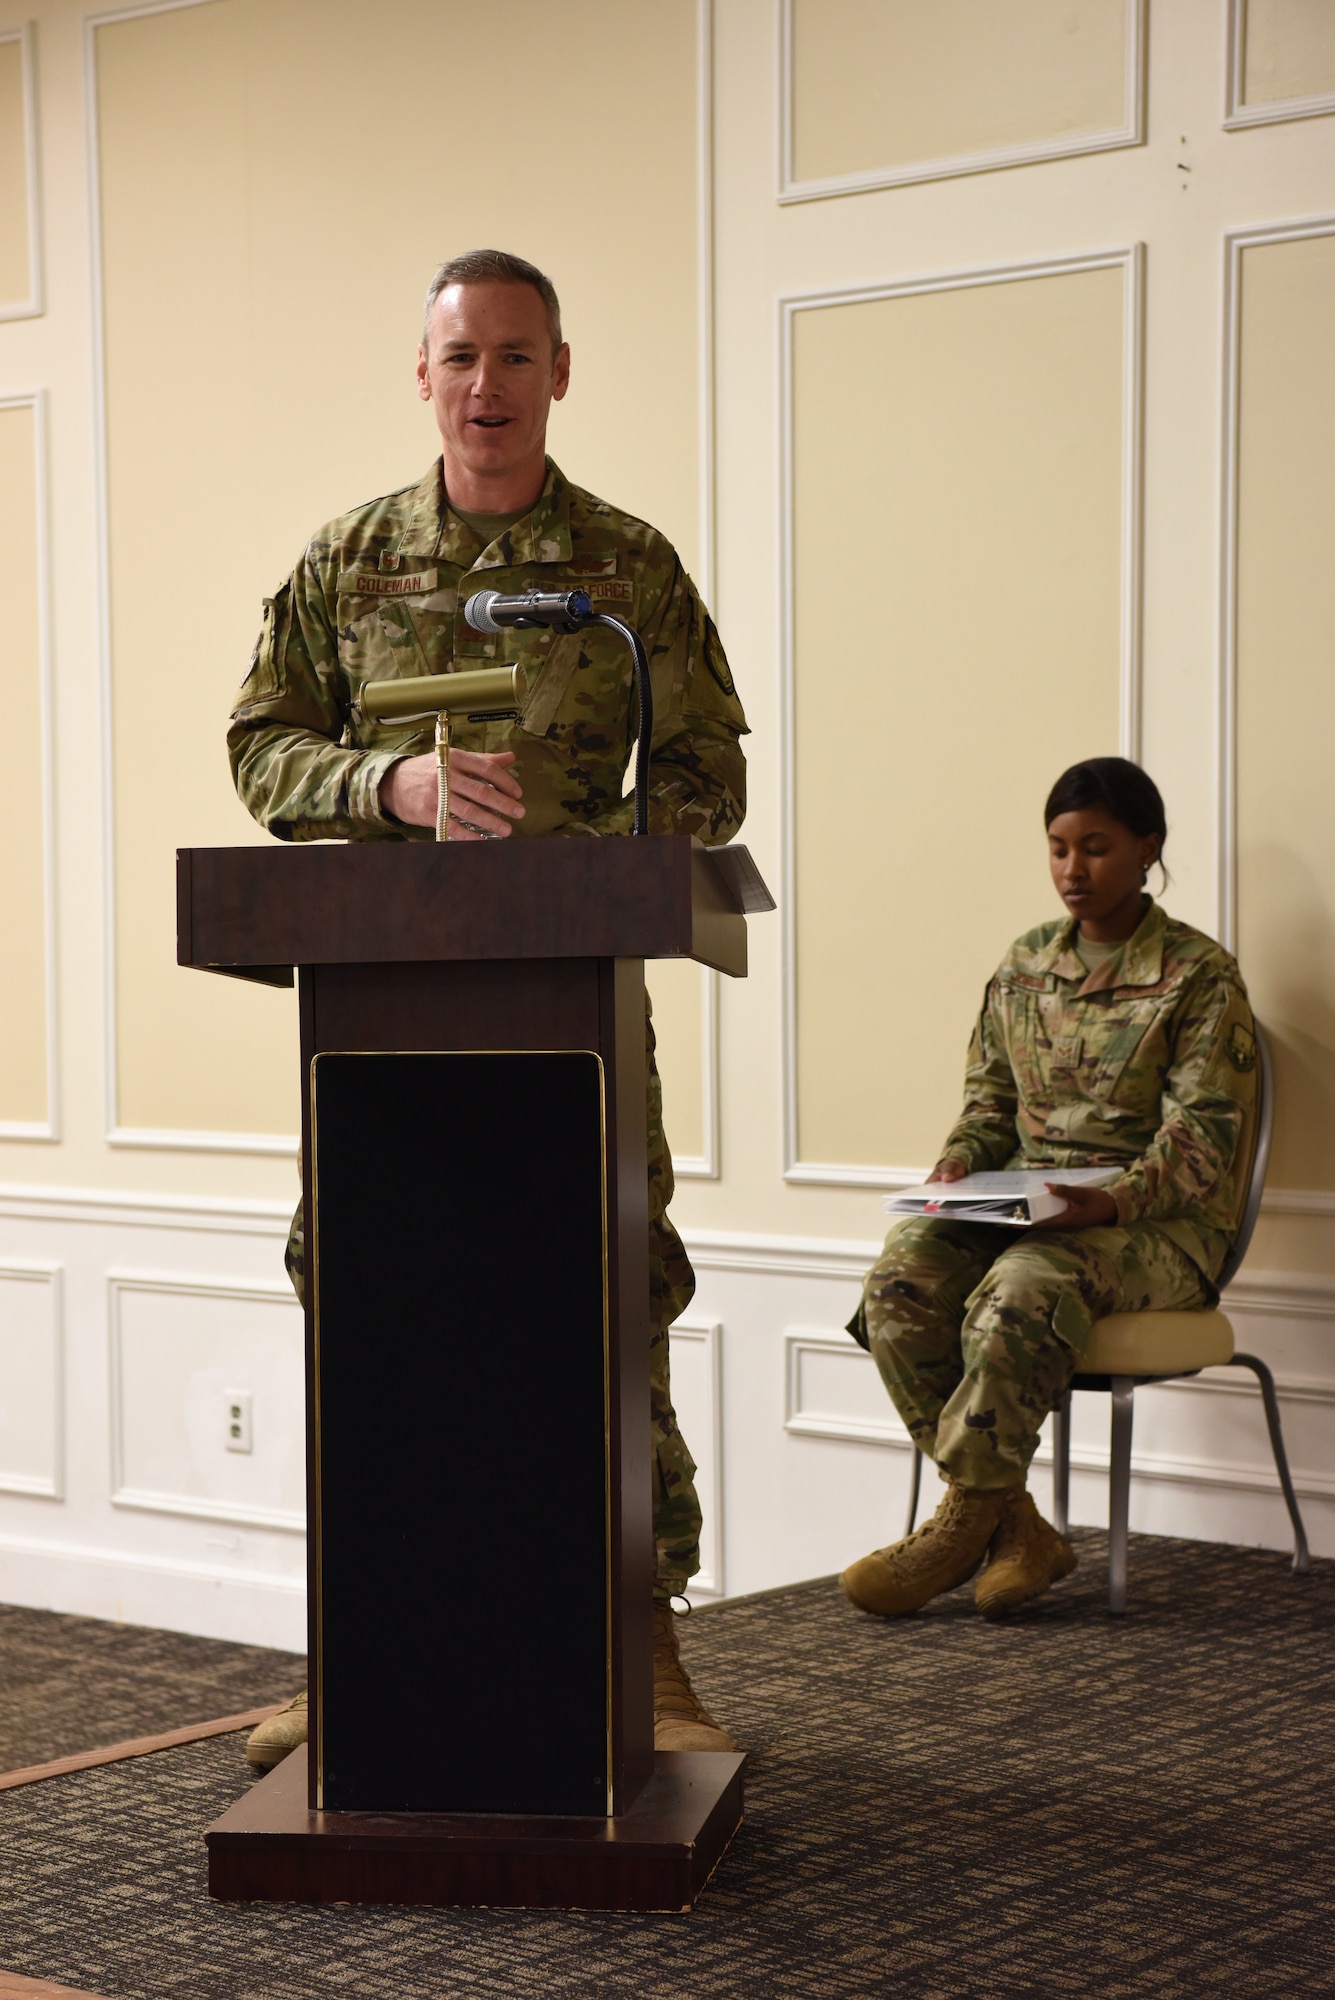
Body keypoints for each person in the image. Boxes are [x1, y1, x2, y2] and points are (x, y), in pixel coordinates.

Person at [228, 248, 748, 1768]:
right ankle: (370, 1652)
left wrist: (598, 873)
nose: (486, 389)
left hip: (575, 994)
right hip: (383, 1009)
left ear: (558, 375)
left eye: (515, 359)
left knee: (609, 1284)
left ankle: (641, 1648)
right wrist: (379, 785)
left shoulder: (627, 570)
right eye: (460, 360)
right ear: (423, 376)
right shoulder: (347, 564)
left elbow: (707, 768)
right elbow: (261, 749)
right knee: (379, 1291)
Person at [843, 757, 1258, 1621]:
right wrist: (960, 1163)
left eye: (1097, 848)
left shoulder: (1198, 975)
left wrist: (1107, 1202)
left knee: (1021, 1288)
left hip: (1160, 1226)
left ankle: (961, 1525)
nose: (1073, 869)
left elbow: (1202, 1138)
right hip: (1028, 1211)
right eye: (1059, 848)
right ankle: (1014, 1525)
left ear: (1147, 850)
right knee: (900, 1280)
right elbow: (989, 1101)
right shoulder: (1025, 962)